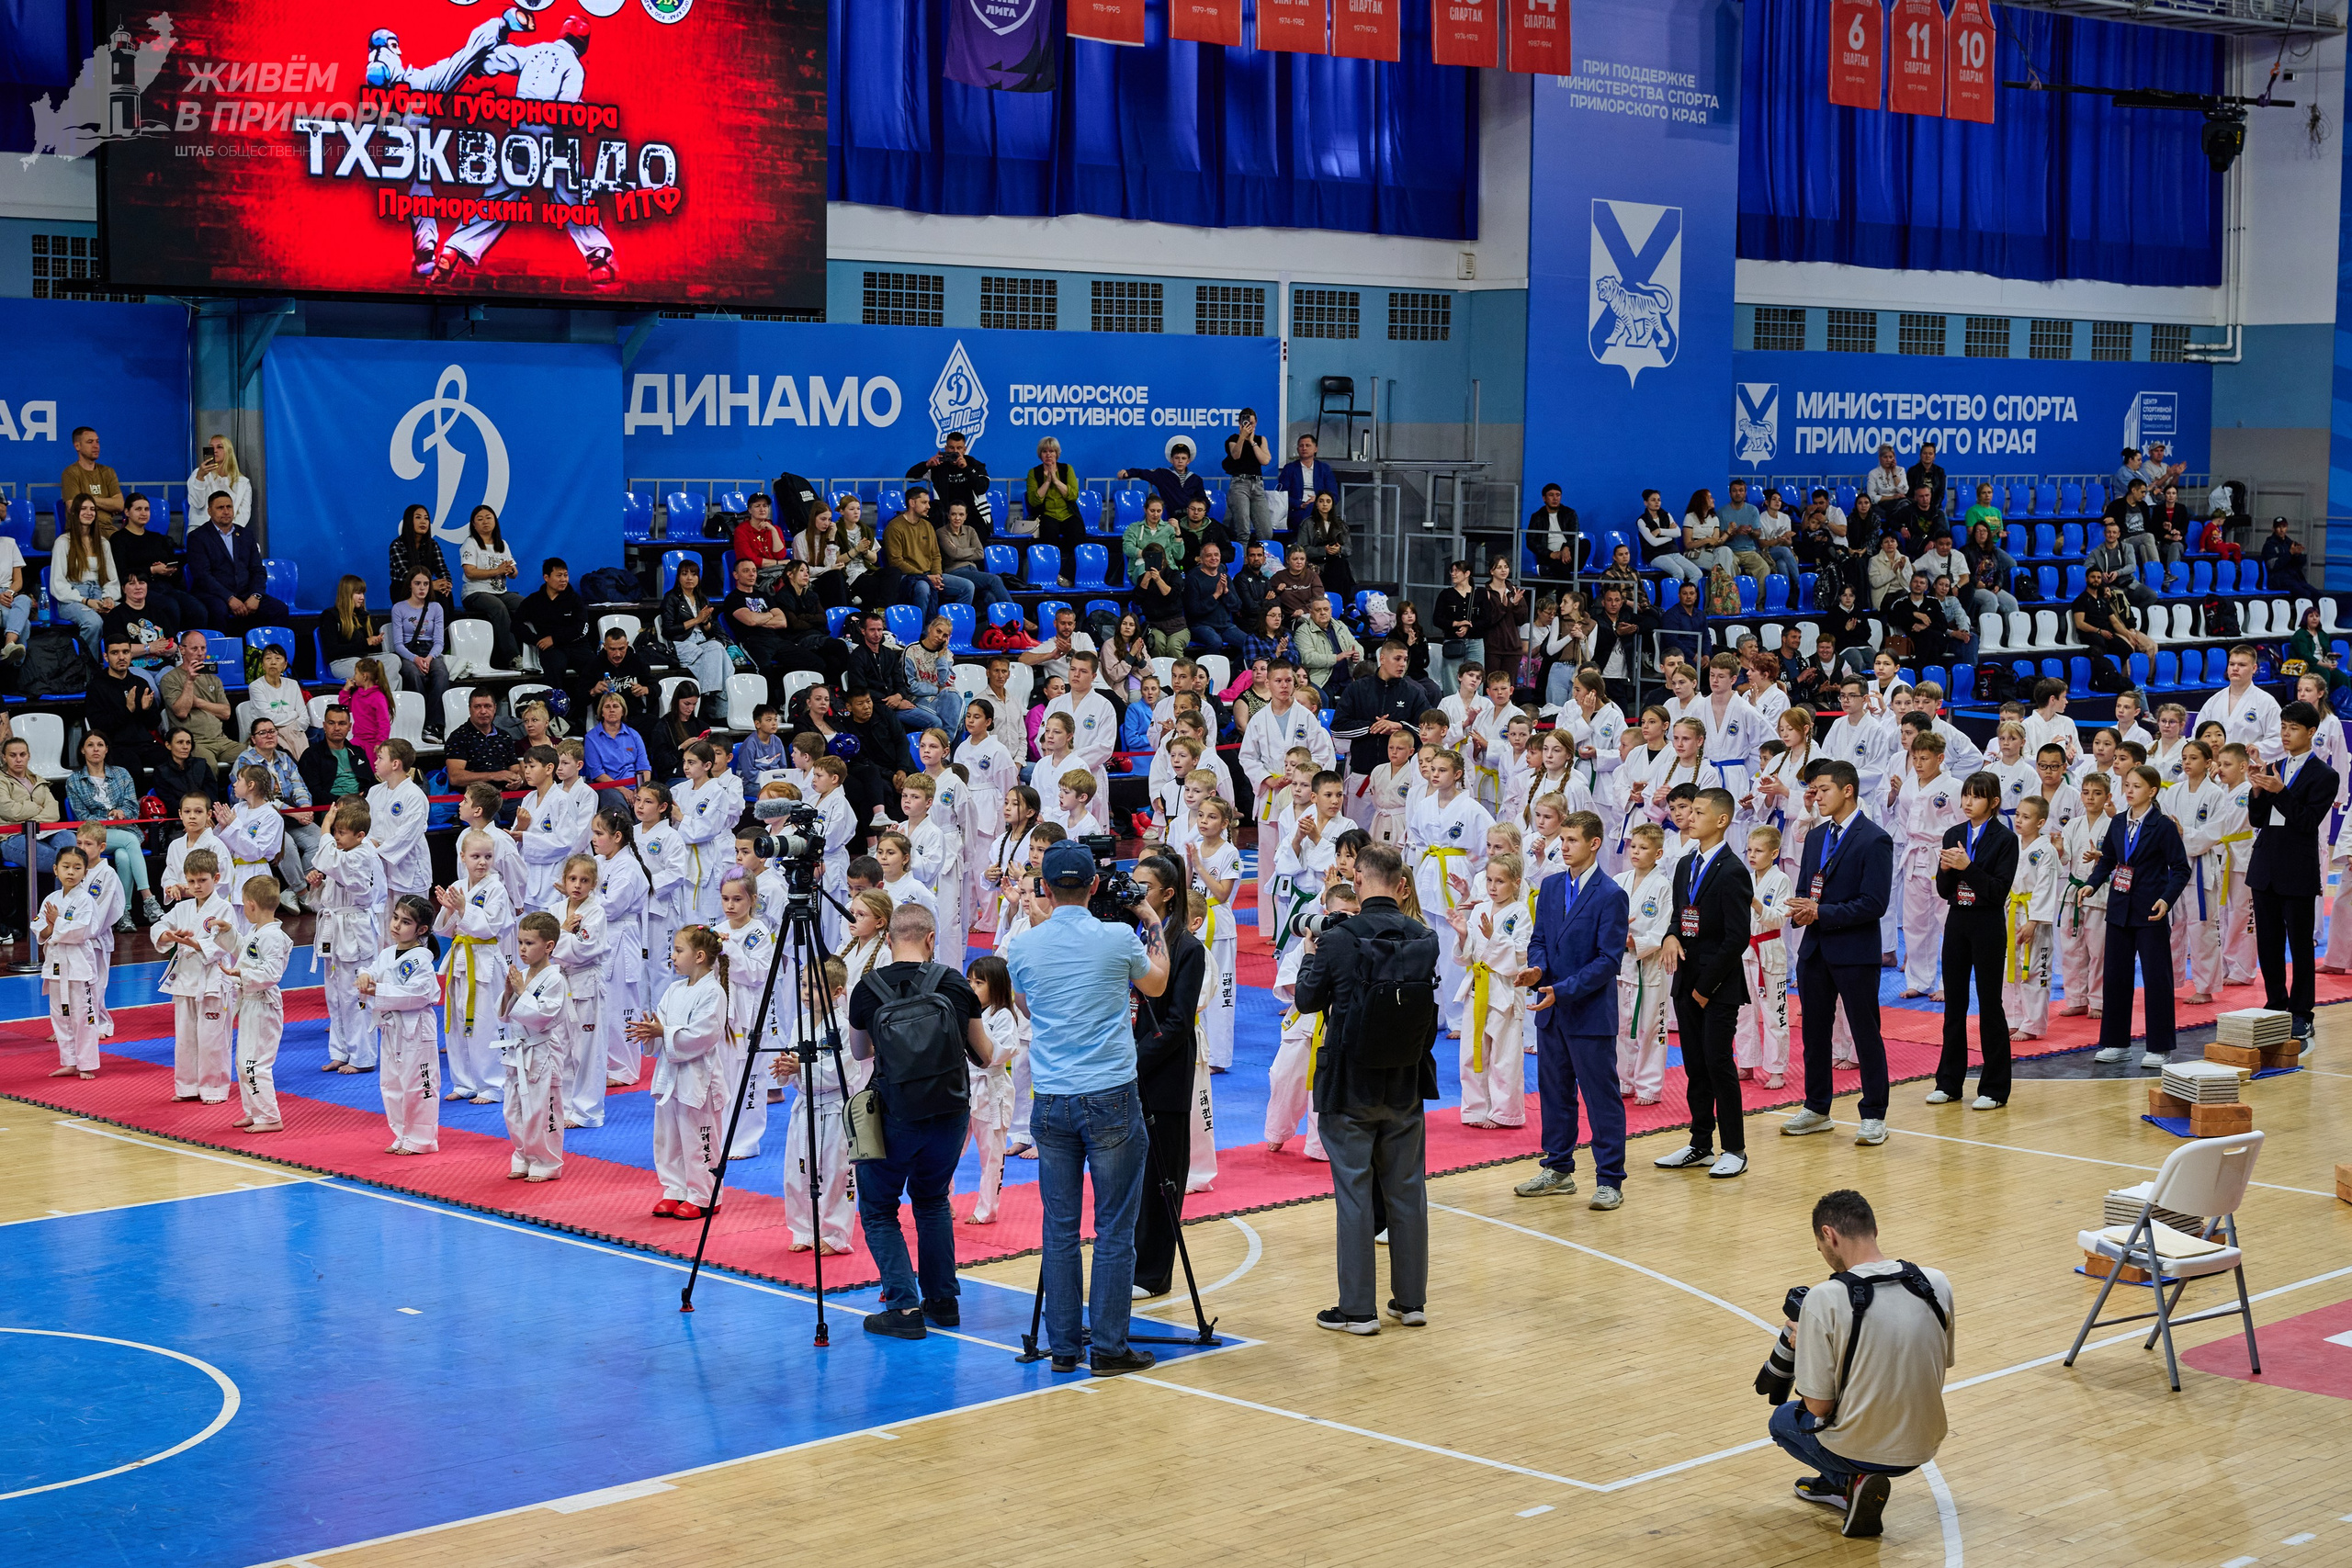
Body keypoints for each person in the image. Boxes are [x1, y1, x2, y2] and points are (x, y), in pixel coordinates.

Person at [1001, 840, 1174, 1372]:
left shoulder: (1024, 947)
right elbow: (1159, 983)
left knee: (1059, 1226)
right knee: (1115, 1226)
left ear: (1044, 890)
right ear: (1095, 885)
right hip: (1109, 1094)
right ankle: (1108, 1347)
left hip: (1052, 1097)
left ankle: (1064, 1347)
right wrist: (1152, 920)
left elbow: (1025, 1004)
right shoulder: (1119, 935)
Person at [1293, 842, 1437, 1333]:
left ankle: (1358, 1311)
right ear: (1402, 885)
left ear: (1357, 883)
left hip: (1349, 1082)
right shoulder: (1425, 937)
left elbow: (1308, 1000)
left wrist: (1312, 951)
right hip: (1406, 1079)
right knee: (1407, 1190)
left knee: (1354, 1193)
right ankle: (1411, 1301)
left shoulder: (1339, 937)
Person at [1769, 1189, 1954, 1540]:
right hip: (1925, 1443)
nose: (1822, 1253)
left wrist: (1808, 1347)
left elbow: (1819, 1407)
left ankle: (1845, 1484)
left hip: (1866, 1449)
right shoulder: (1936, 1282)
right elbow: (1937, 1365)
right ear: (1875, 1231)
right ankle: (1846, 1484)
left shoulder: (1825, 1299)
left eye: (1819, 1244)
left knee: (1782, 1421)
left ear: (1829, 1235)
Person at [1518, 808, 1631, 1206]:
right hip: (1550, 1007)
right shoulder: (1549, 887)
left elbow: (1607, 960)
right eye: (1561, 840)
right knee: (1554, 1092)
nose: (1562, 847)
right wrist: (1536, 970)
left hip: (1587, 1011)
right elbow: (1539, 940)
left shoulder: (1611, 894)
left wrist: (1561, 989)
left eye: (1571, 841)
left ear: (1594, 843)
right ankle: (1558, 1168)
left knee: (1601, 1097)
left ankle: (1610, 1179)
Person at [1782, 761, 1896, 1146]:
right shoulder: (1815, 837)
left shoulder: (1874, 838)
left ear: (1848, 790)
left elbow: (1874, 903)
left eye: (1824, 789)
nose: (1817, 796)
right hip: (1814, 947)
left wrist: (1822, 912)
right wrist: (1799, 911)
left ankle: (1875, 1114)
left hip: (1854, 949)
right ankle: (1817, 1107)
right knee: (1814, 1033)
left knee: (1865, 1033)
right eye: (1813, 789)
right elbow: (1807, 888)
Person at [1651, 787, 1753, 1179]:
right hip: (1686, 979)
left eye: (1698, 811)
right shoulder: (1684, 864)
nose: (1688, 817)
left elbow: (1736, 937)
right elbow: (1680, 914)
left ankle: (1735, 1148)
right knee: (1694, 1064)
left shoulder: (1733, 870)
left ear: (1721, 820)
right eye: (1687, 811)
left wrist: (1705, 987)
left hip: (1718, 984)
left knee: (1718, 1063)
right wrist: (1671, 936)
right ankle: (1700, 1143)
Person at [1129, 853, 1207, 1300]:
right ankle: (1131, 1259)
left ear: (1168, 894)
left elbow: (1177, 1023)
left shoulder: (1187, 948)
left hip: (1164, 1075)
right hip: (1126, 1070)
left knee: (1162, 1177)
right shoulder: (1129, 938)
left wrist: (1134, 1059)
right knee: (1131, 1178)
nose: (1137, 894)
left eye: (1146, 887)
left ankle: (1154, 1273)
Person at [2083, 764, 2192, 1068]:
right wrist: (2092, 885)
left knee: (2157, 978)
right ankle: (2116, 1043)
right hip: (2119, 909)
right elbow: (2109, 861)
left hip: (2150, 910)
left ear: (2152, 791)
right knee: (2116, 977)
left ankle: (2159, 1047)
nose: (2129, 791)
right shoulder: (2117, 822)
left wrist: (2166, 900)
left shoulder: (2164, 826)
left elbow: (2181, 868)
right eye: (2127, 785)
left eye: (2136, 786)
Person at [2247, 700, 2334, 1043]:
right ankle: (2275, 1004)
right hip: (2266, 864)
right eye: (2283, 727)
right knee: (2267, 944)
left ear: (2311, 733)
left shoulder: (2325, 775)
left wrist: (2281, 792)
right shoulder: (2275, 765)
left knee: (2300, 946)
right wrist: (2257, 792)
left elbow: (2307, 822)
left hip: (2296, 869)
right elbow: (2258, 820)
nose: (2285, 733)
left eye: (2293, 728)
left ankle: (2301, 1012)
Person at [1929, 773, 2016, 1109]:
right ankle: (1949, 1082)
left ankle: (1994, 1089)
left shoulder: (2005, 839)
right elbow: (1943, 890)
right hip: (1958, 920)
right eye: (1965, 795)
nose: (1967, 802)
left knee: (1990, 1004)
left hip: (1988, 922)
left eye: (1976, 797)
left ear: (1993, 802)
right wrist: (1947, 870)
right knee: (1954, 1004)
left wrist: (1967, 866)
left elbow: (1996, 892)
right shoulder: (1954, 833)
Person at [187, 490, 288, 637]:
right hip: (215, 595)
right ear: (209, 511)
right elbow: (202, 576)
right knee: (218, 611)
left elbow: (257, 570)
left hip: (245, 593)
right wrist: (229, 598)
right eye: (220, 508)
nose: (226, 511)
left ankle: (272, 656)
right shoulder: (198, 537)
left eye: (229, 507)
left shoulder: (246, 535)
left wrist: (256, 595)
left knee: (279, 609)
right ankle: (223, 658)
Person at [105, 491, 202, 633]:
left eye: (146, 509)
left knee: (197, 609)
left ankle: (191, 648)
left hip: (165, 585)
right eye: (138, 509)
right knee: (170, 607)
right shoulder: (118, 539)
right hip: (140, 588)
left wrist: (170, 572)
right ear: (127, 512)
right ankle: (172, 648)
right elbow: (122, 572)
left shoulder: (158, 538)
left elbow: (177, 569)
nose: (143, 513)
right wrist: (151, 570)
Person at [882, 487, 973, 622]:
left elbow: (936, 555)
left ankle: (952, 629)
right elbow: (896, 561)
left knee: (967, 586)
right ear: (912, 503)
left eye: (928, 503)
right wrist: (925, 577)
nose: (928, 506)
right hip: (907, 577)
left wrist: (936, 575)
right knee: (923, 587)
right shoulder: (894, 527)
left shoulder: (927, 526)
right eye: (924, 502)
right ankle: (921, 632)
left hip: (930, 574)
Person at [51, 494, 121, 659]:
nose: (89, 513)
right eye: (83, 509)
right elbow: (58, 583)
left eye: (92, 509)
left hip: (99, 593)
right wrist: (86, 601)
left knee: (123, 614)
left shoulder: (103, 543)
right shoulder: (63, 542)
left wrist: (108, 597)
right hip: (73, 598)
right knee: (93, 622)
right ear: (74, 513)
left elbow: (112, 579)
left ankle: (117, 668)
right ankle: (87, 669)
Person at [458, 504, 525, 666]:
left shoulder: (502, 544)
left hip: (500, 592)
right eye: (479, 519)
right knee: (499, 608)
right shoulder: (471, 543)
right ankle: (513, 658)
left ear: (495, 521)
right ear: (473, 524)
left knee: (526, 605)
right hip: (475, 592)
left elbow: (514, 574)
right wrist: (497, 570)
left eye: (488, 518)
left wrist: (511, 571)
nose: (485, 522)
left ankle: (534, 653)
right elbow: (470, 572)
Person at [160, 630, 239, 768]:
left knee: (252, 757)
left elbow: (226, 713)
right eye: (194, 648)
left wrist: (197, 702)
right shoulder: (169, 679)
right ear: (182, 650)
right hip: (194, 742)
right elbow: (181, 712)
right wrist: (190, 681)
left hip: (221, 740)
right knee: (208, 766)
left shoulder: (214, 679)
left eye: (203, 648)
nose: (200, 653)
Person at [907, 428, 994, 531]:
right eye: (951, 448)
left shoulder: (975, 465)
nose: (955, 452)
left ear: (964, 450)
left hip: (973, 516)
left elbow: (981, 488)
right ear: (946, 448)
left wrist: (966, 469)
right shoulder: (938, 466)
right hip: (945, 517)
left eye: (959, 448)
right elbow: (910, 477)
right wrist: (926, 465)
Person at [1026, 436, 1085, 588]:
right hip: (1047, 514)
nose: (1048, 454)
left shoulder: (1067, 469)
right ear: (1040, 454)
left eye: (1052, 451)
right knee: (1049, 535)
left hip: (1068, 513)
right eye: (1045, 451)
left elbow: (1073, 495)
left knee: (1079, 538)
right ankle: (1049, 575)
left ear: (1057, 453)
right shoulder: (1034, 473)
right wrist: (1047, 482)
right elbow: (1034, 500)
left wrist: (1056, 481)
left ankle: (1064, 576)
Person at [1221, 408, 1277, 542]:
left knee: (1266, 532)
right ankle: (1243, 561)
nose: (1248, 425)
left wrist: (1252, 442)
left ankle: (1260, 560)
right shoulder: (1233, 439)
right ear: (1240, 423)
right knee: (1243, 531)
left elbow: (1265, 460)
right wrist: (1242, 437)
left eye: (1251, 423)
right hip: (1240, 485)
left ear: (1256, 423)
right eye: (1245, 422)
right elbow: (1236, 455)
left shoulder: (1260, 439)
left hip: (1257, 486)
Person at [1124, 436, 1212, 521]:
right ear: (1171, 460)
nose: (1180, 461)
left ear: (1188, 461)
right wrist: (1129, 472)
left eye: (1183, 458)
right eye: (1177, 458)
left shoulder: (1196, 479)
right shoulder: (1163, 475)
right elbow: (1144, 473)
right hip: (1176, 518)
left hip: (1195, 518)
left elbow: (1203, 500)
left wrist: (1200, 511)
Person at [59, 424, 124, 536]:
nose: (96, 446)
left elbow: (119, 504)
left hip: (108, 529)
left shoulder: (108, 472)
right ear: (77, 446)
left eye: (97, 442)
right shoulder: (70, 473)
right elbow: (73, 506)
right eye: (90, 442)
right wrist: (107, 504)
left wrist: (87, 499)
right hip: (82, 530)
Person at [732, 491, 793, 592]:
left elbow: (780, 555)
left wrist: (773, 531)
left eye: (765, 506)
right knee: (783, 583)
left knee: (795, 579)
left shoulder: (775, 529)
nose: (762, 509)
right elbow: (751, 560)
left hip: (775, 571)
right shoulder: (741, 531)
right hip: (755, 573)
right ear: (750, 510)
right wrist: (779, 563)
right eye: (757, 506)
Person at [1274, 433, 1335, 534]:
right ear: (1297, 449)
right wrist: (1301, 505)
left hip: (1321, 510)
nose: (1304, 448)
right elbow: (1282, 496)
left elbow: (1334, 495)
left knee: (1314, 509)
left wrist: (1318, 500)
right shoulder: (1289, 469)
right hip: (1297, 511)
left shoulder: (1324, 469)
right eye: (1301, 446)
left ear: (1315, 449)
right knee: (1310, 515)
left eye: (1308, 445)